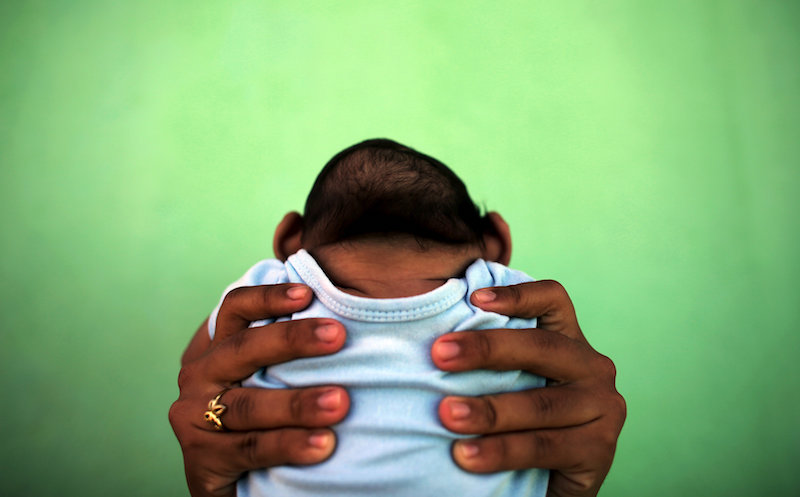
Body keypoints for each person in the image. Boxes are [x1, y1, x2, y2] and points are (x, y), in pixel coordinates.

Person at [169, 141, 627, 497]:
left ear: (292, 240)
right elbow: (565, 404)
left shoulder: (269, 289)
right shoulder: (509, 297)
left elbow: (196, 374)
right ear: (496, 244)